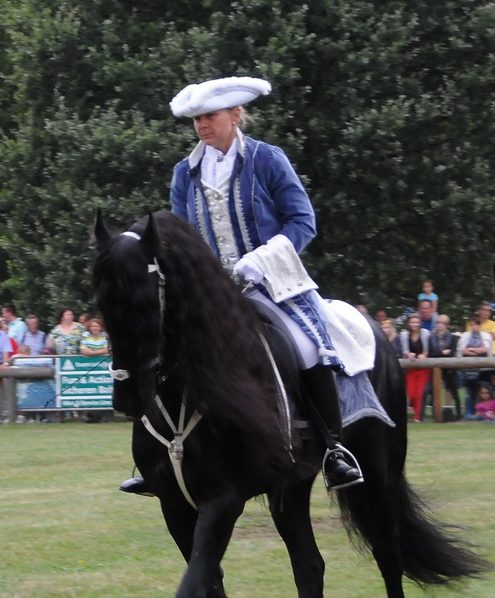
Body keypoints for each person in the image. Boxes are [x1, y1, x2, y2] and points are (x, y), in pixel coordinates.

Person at [142, 75, 378, 493]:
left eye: (209, 116)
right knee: (162, 348)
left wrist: (261, 261)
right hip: (212, 293)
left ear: (235, 115)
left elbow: (303, 221)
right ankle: (157, 454)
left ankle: (333, 449)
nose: (201, 125)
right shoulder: (185, 173)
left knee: (309, 345)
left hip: (273, 283)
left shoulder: (267, 159)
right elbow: (181, 237)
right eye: (196, 119)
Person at [432, 313, 461, 419]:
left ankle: (450, 410)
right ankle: (438, 412)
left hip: (449, 369)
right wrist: (442, 352)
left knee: (451, 389)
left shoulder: (452, 337)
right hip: (435, 367)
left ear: (447, 325)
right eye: (438, 323)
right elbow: (432, 352)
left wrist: (442, 352)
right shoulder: (432, 337)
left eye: (443, 323)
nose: (440, 325)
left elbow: (452, 352)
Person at [402, 315, 430, 421]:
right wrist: (409, 354)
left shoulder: (425, 333)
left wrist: (424, 355)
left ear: (420, 323)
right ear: (409, 323)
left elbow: (427, 349)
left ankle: (418, 416)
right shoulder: (404, 335)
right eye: (412, 322)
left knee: (420, 392)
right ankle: (416, 412)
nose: (414, 324)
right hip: (411, 366)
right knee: (411, 392)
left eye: (416, 322)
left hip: (423, 367)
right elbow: (405, 350)